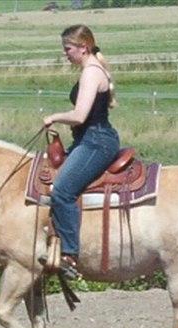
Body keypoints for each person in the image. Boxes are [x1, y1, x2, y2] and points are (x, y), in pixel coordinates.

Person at [43, 24, 120, 277]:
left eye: (68, 49)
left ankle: (69, 254)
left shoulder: (90, 73)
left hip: (96, 141)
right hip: (90, 139)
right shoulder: (92, 68)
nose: (66, 54)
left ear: (83, 47)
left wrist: (54, 117)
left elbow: (79, 115)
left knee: (63, 191)